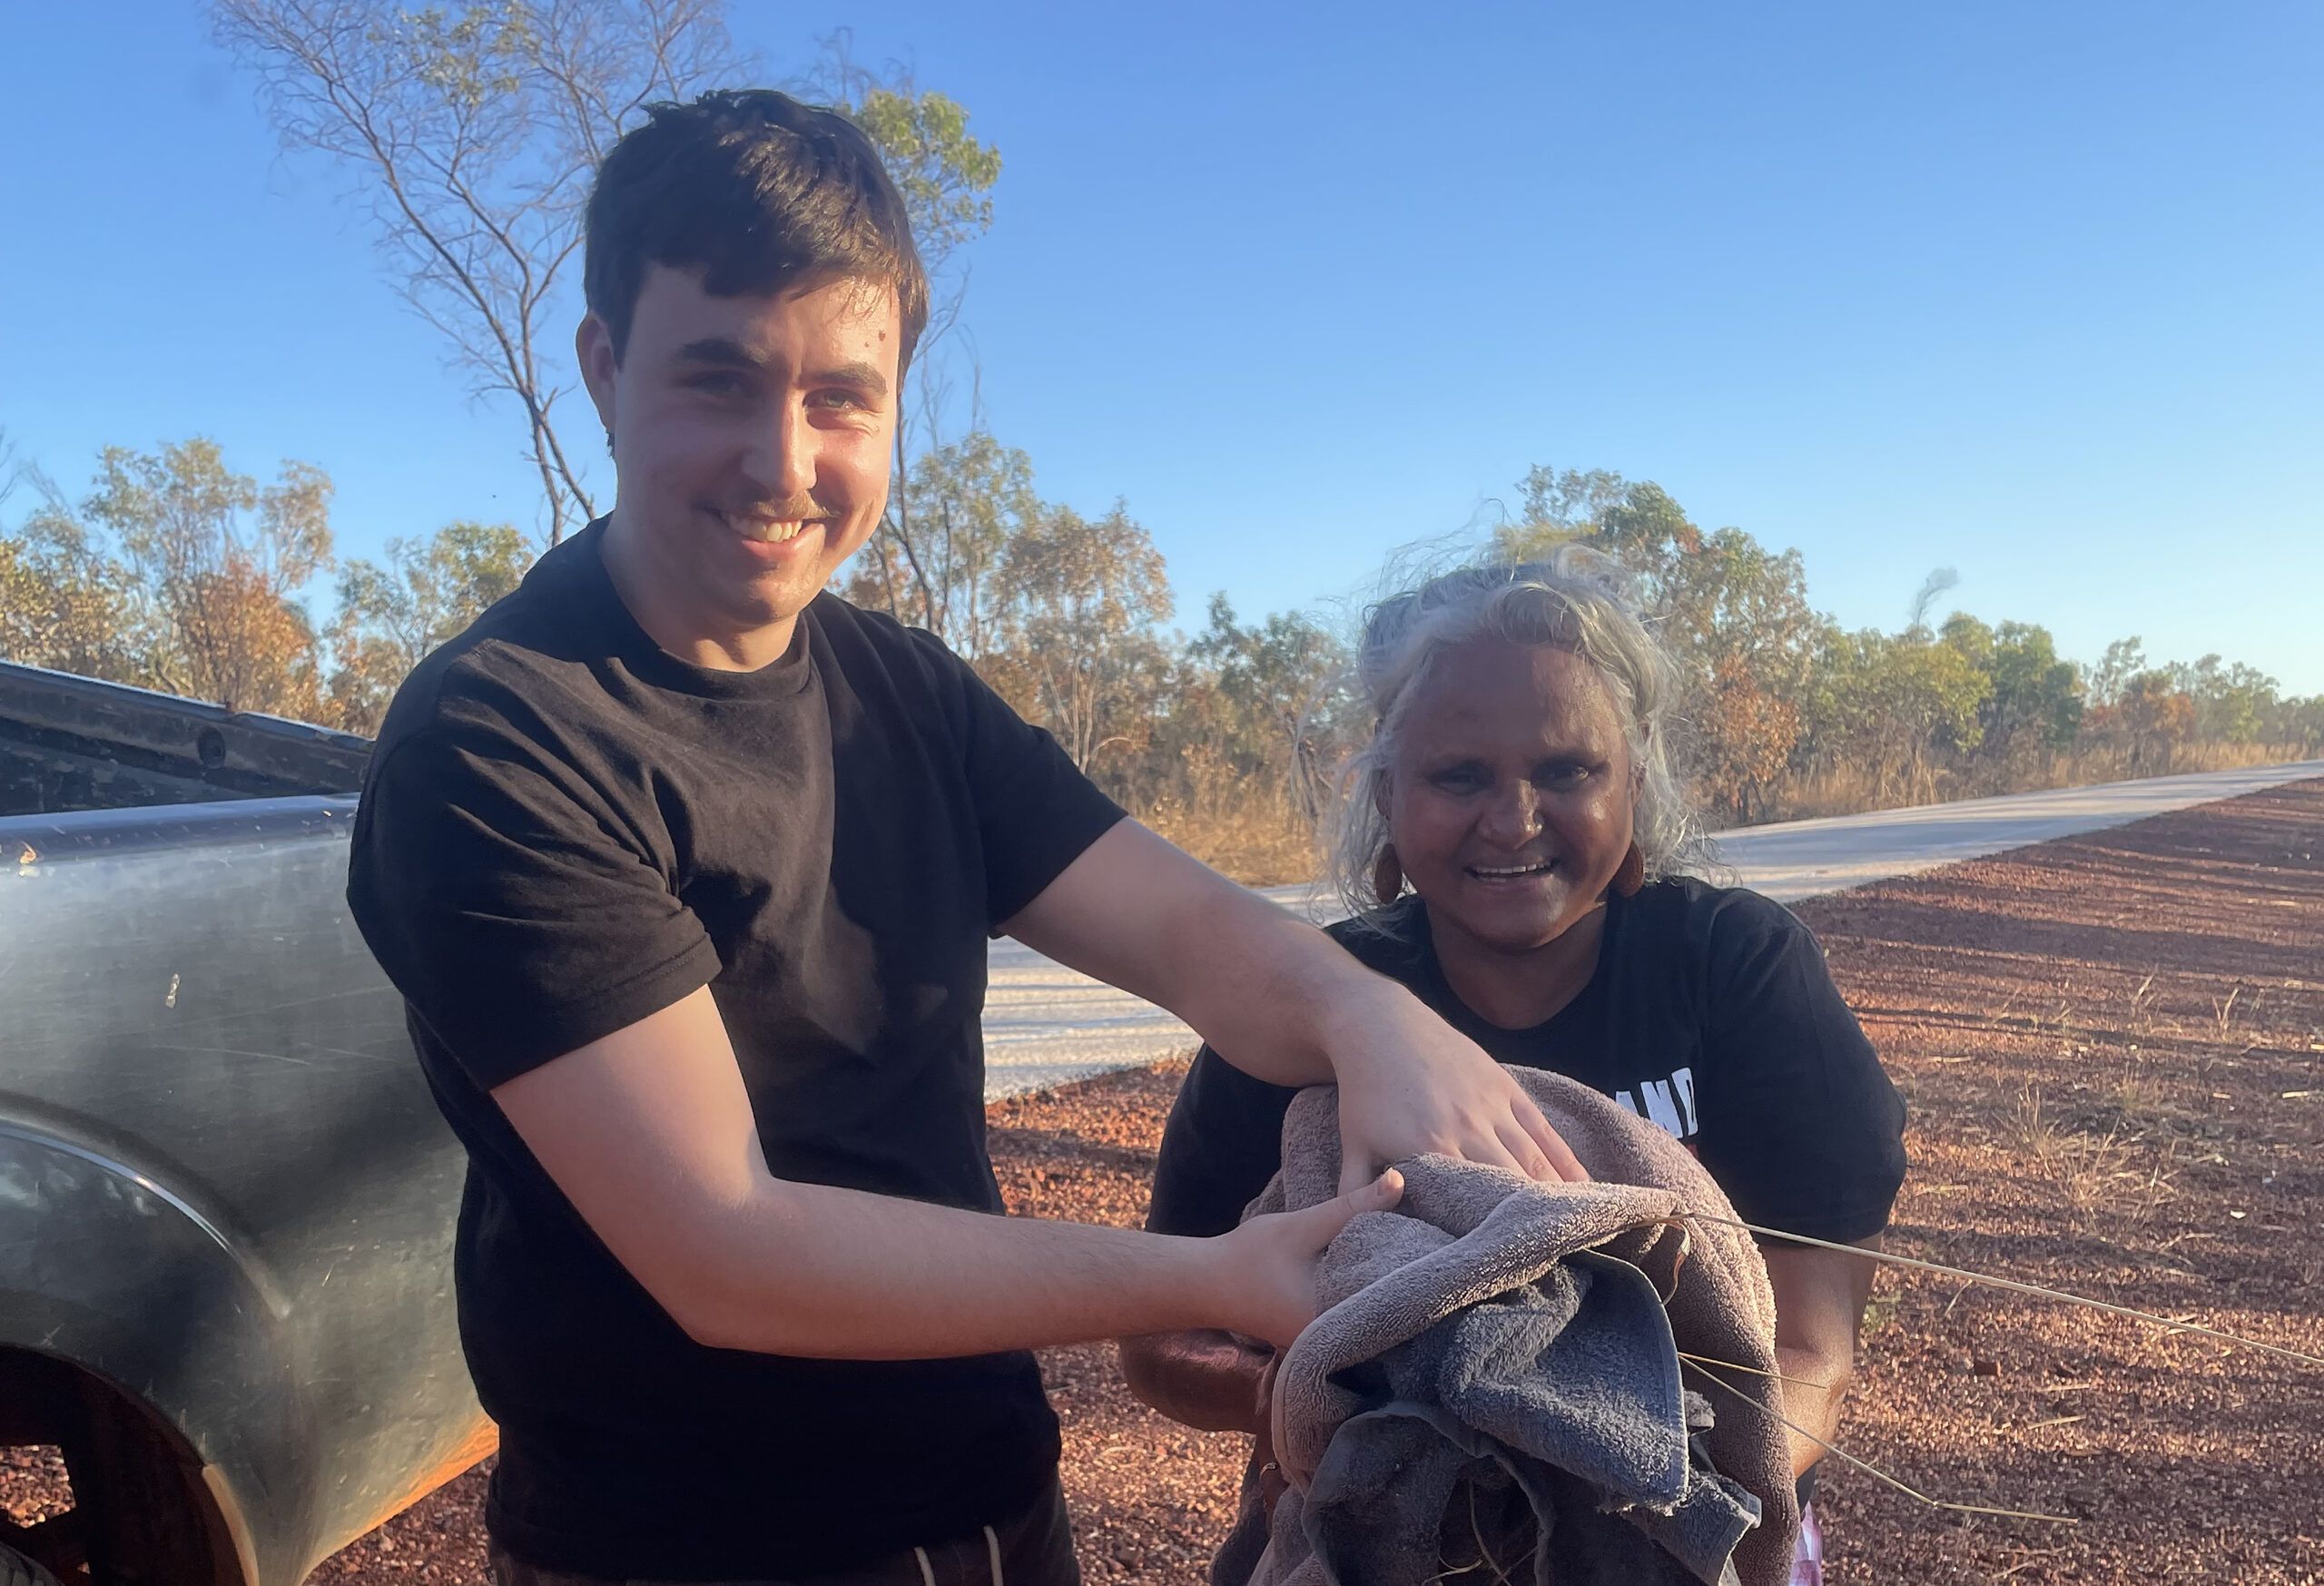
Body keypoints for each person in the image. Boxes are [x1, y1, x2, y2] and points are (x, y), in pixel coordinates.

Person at [345, 91, 1585, 1586]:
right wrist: (1216, 1278)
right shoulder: (503, 742)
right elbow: (727, 1250)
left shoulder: (904, 693)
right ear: (605, 368)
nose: (783, 458)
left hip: (987, 1501)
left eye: (841, 398)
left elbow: (1189, 930)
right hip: (683, 1543)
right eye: (717, 378)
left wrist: (1361, 1011)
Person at [1122, 554, 1909, 1586]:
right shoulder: (1305, 1005)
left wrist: (1617, 1500)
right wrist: (1318, 1392)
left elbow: (1811, 1354)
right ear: (1387, 796)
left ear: (1635, 783)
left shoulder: (1734, 969)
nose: (1515, 818)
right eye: (1460, 776)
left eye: (1569, 770)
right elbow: (1158, 1345)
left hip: (1680, 1530)